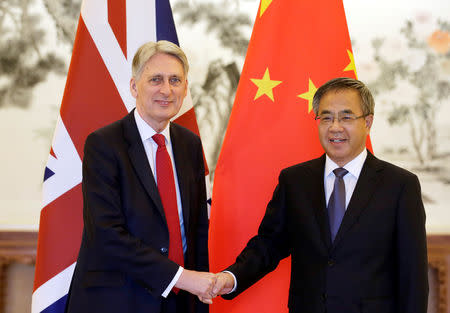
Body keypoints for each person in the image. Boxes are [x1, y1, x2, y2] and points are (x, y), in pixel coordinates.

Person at [212, 77, 429, 313]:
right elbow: (268, 245)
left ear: (368, 122)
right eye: (326, 117)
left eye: (346, 117)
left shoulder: (400, 186)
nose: (335, 127)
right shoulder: (294, 181)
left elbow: (413, 277)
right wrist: (230, 278)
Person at [65, 40, 214, 313]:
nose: (166, 90)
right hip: (118, 300)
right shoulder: (104, 144)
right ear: (134, 86)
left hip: (180, 301)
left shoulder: (190, 144)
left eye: (175, 80)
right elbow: (107, 234)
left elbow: (195, 229)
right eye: (155, 79)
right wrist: (180, 277)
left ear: (185, 88)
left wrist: (198, 292)